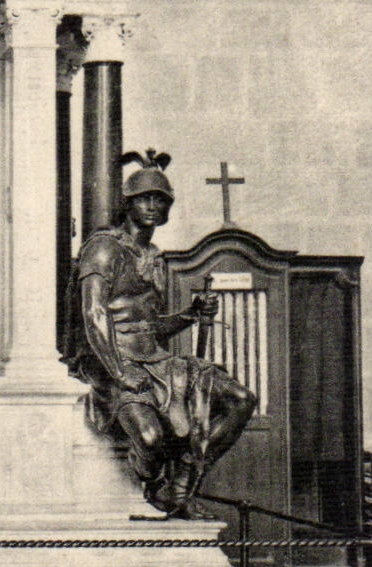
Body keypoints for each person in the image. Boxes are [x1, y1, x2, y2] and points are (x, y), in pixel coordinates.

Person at [65, 153, 257, 519]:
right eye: (144, 198)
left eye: (161, 200)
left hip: (156, 360)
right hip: (112, 362)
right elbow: (94, 315)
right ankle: (155, 488)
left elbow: (150, 327)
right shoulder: (103, 248)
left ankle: (181, 484)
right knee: (151, 440)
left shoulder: (152, 256)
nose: (153, 206)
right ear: (128, 202)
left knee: (240, 399)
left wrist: (189, 315)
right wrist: (121, 373)